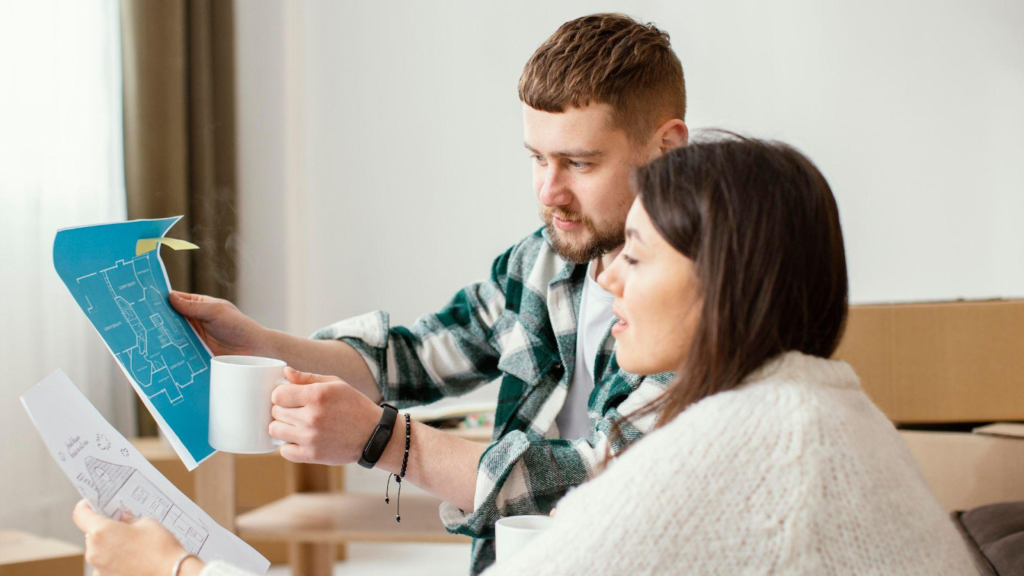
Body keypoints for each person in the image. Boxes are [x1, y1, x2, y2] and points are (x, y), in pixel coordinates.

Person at [71, 13, 689, 575]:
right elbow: (416, 354)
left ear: (667, 148)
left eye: (579, 163)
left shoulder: (712, 303)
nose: (548, 192)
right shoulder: (546, 258)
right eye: (536, 158)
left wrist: (384, 439)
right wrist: (260, 342)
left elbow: (604, 479)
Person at [479, 135, 978, 574]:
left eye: (633, 255)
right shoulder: (836, 410)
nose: (609, 279)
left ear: (720, 281)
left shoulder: (751, 440)